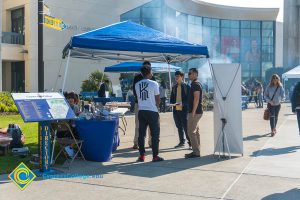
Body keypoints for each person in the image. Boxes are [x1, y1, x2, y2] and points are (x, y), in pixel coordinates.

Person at [135, 63, 163, 162]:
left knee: (141, 134)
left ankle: (142, 156)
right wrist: (157, 107)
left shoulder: (137, 84)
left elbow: (138, 98)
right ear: (149, 72)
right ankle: (155, 156)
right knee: (155, 134)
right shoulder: (154, 83)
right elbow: (158, 98)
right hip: (152, 111)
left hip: (141, 110)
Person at [132, 62, 154, 149]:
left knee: (150, 125)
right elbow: (134, 91)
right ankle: (136, 142)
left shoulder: (152, 77)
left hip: (148, 104)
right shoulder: (137, 77)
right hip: (140, 104)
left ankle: (151, 142)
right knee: (138, 124)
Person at [170, 70, 191, 148]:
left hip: (184, 110)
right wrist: (171, 104)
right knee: (179, 126)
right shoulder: (174, 87)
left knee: (186, 127)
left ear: (182, 77)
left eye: (178, 76)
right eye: (175, 76)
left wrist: (183, 103)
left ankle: (190, 143)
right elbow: (172, 98)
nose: (176, 78)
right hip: (176, 110)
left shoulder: (186, 86)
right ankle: (182, 142)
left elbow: (189, 100)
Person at [185, 68, 203, 159]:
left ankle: (196, 152)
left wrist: (193, 112)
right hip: (196, 112)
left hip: (195, 112)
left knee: (191, 132)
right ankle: (197, 150)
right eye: (188, 73)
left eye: (190, 73)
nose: (188, 75)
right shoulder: (195, 84)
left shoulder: (195, 84)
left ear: (195, 74)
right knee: (195, 132)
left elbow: (196, 99)